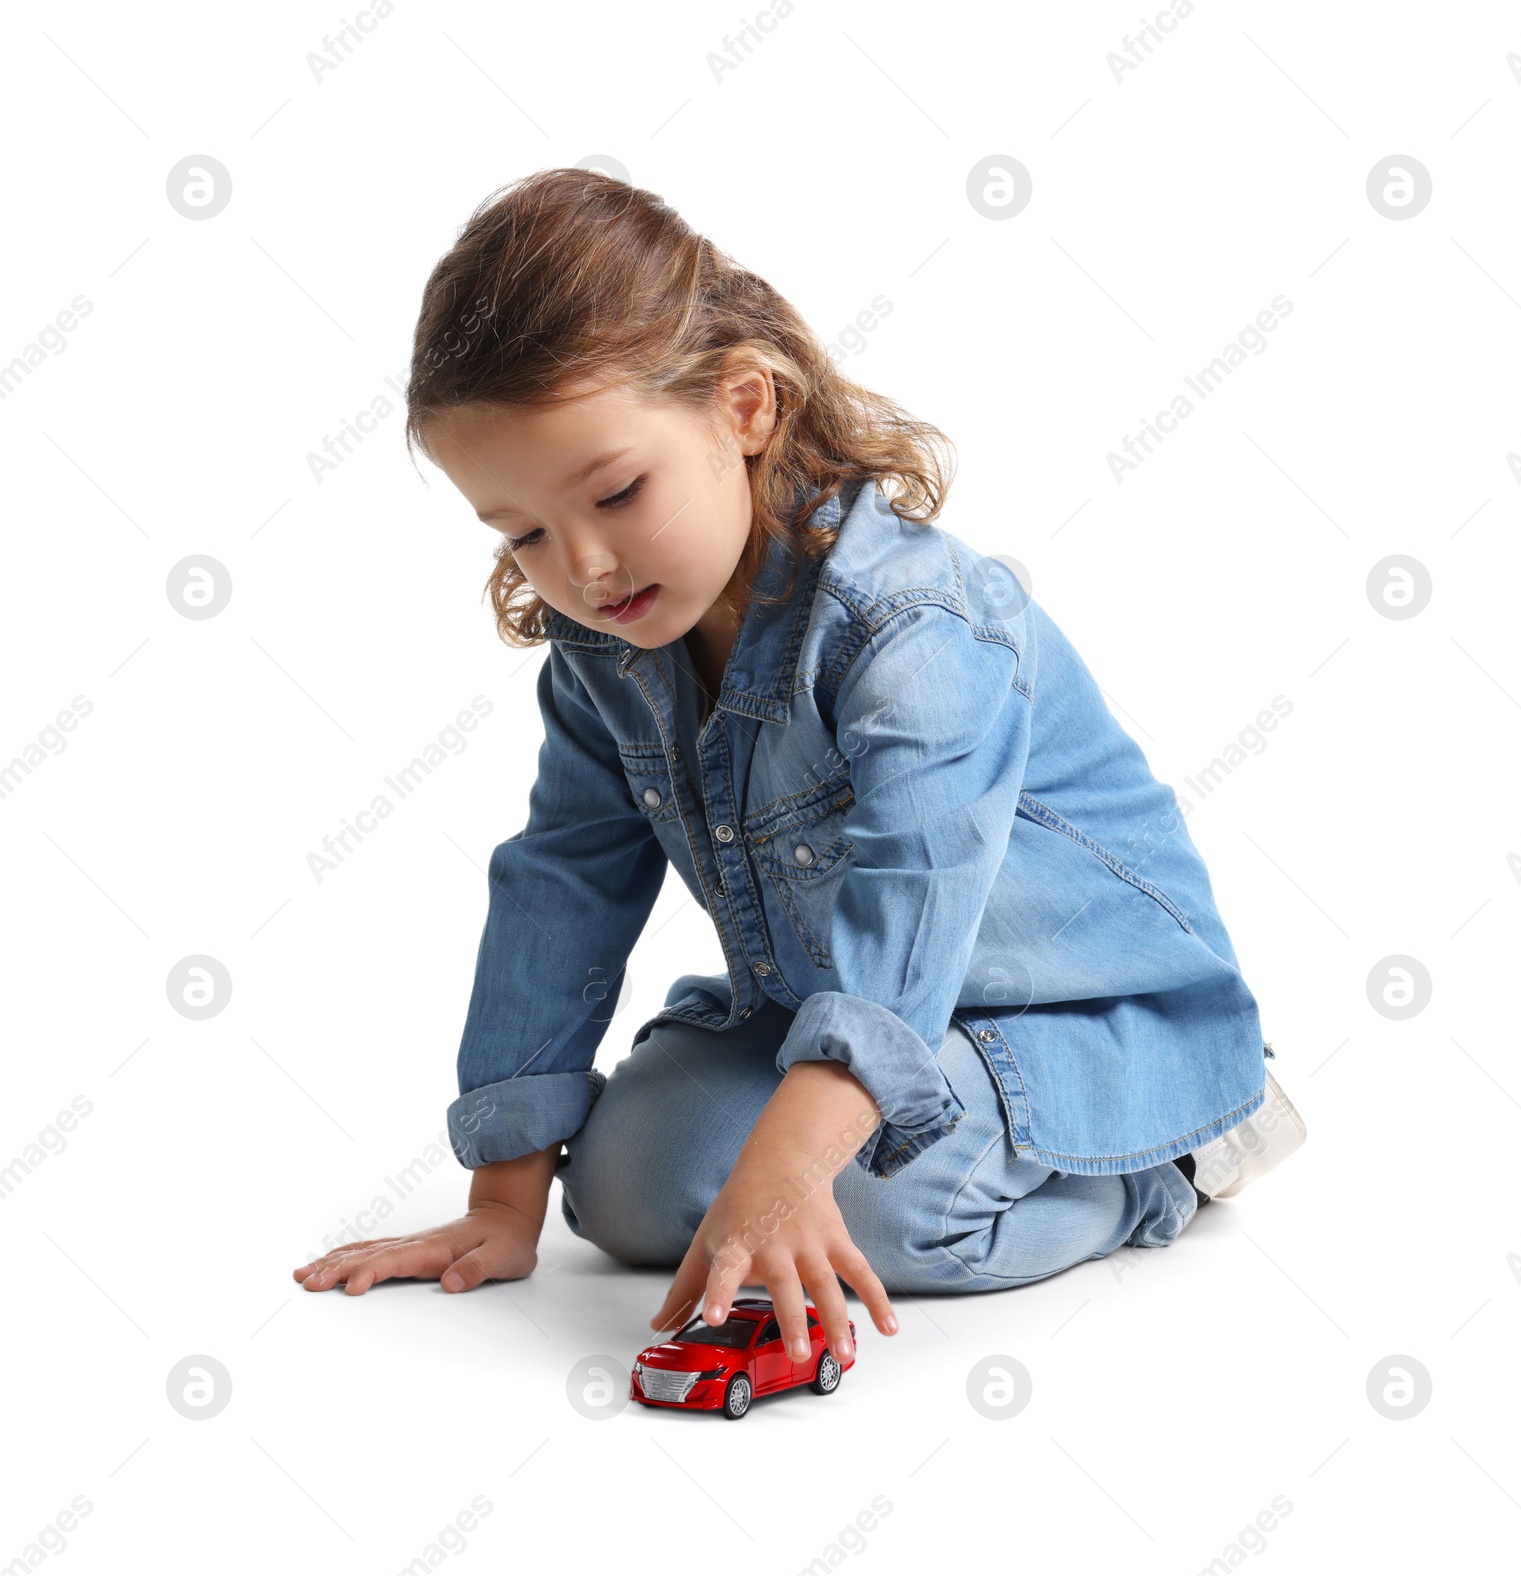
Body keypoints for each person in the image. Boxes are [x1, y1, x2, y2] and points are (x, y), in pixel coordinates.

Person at [293, 167, 1305, 1374]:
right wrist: (505, 1203)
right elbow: (563, 880)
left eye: (616, 490)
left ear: (743, 407)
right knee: (620, 1186)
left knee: (878, 1203)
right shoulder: (609, 652)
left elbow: (912, 895)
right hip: (845, 1023)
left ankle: (1160, 1165)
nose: (582, 563)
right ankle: (814, 1146)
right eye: (520, 531)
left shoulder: (915, 624)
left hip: (1072, 1019)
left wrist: (789, 1164)